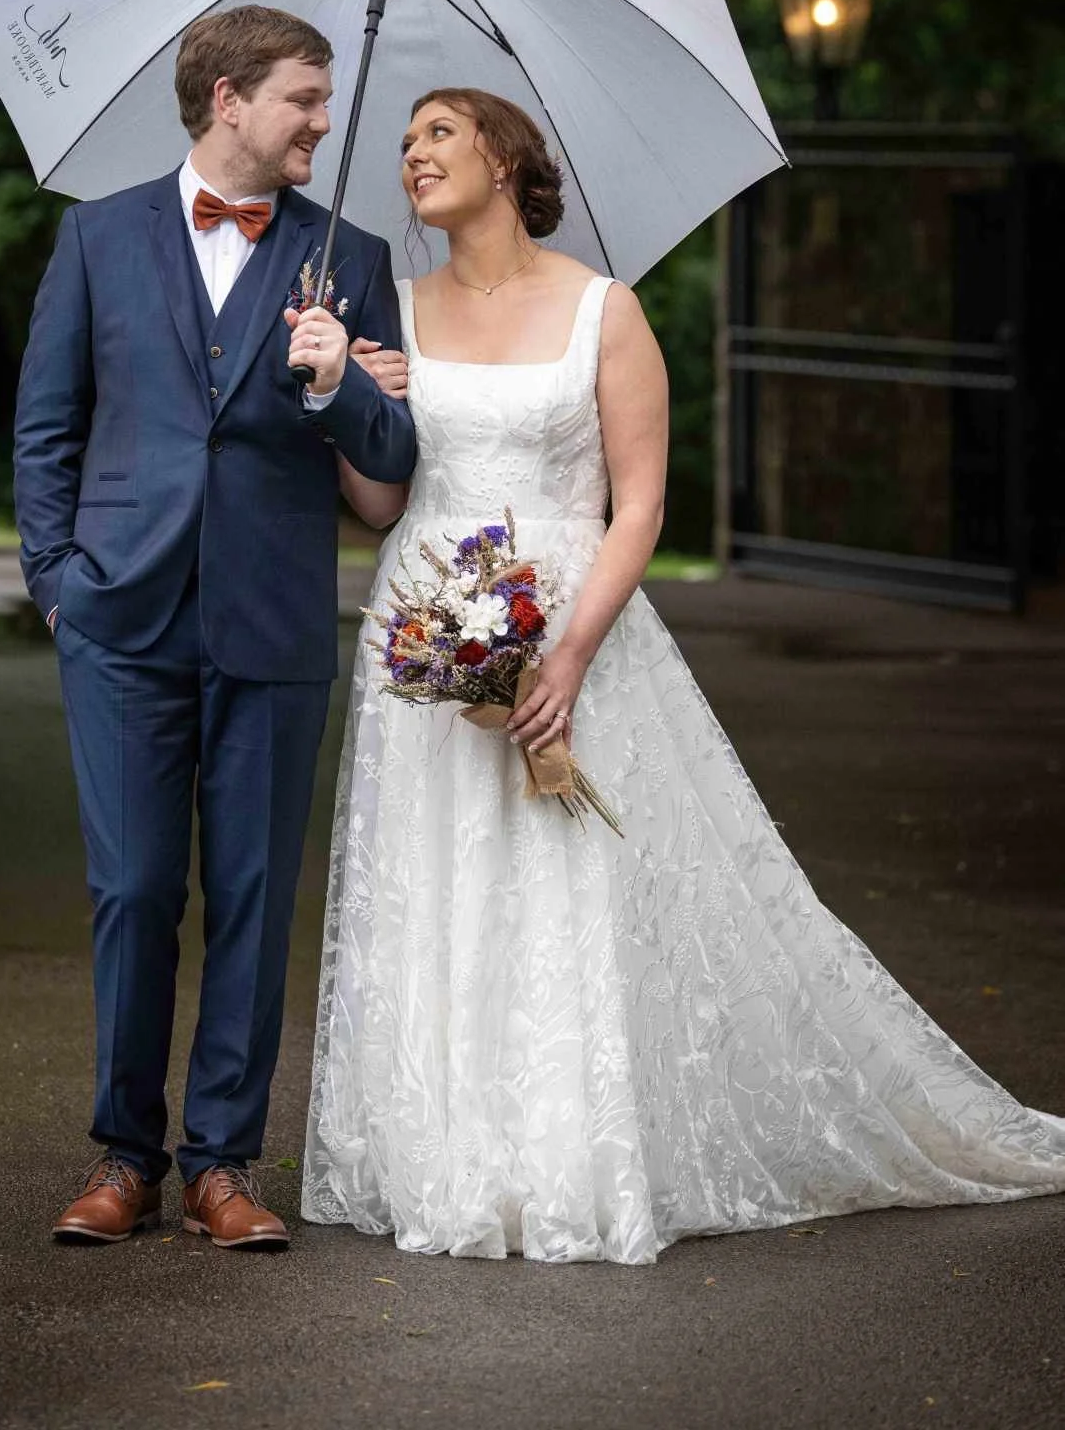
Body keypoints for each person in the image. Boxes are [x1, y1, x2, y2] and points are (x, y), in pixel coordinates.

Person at [302, 85, 1065, 1264]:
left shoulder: (604, 308)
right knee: (436, 878)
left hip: (571, 617)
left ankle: (569, 1151)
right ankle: (445, 1152)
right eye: (404, 142)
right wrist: (341, 401)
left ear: (504, 160)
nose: (412, 154)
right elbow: (380, 502)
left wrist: (566, 650)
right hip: (423, 627)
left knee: (561, 886)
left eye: (437, 133)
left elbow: (640, 500)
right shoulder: (387, 313)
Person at [14, 4, 415, 1251]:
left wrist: (335, 379)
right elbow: (47, 423)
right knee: (134, 889)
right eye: (303, 95)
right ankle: (123, 1154)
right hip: (119, 614)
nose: (323, 119)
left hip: (274, 614)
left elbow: (394, 464)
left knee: (251, 891)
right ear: (228, 97)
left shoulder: (349, 252)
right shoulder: (97, 235)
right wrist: (55, 579)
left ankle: (222, 1164)